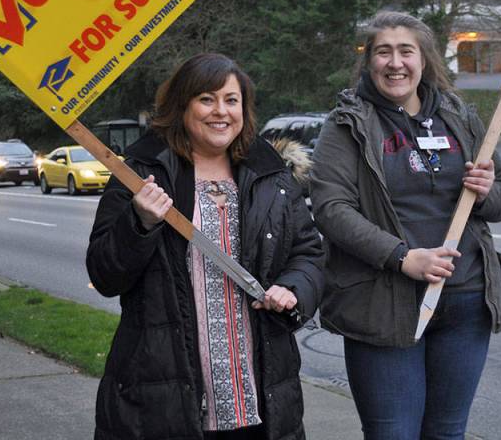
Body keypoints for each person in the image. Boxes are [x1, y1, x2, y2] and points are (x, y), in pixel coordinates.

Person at [87, 53, 324, 440]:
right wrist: (140, 222)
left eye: (232, 100)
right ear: (182, 105)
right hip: (165, 392)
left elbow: (309, 253)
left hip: (260, 391)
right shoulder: (141, 174)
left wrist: (294, 289)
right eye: (206, 99)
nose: (221, 112)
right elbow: (104, 273)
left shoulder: (271, 176)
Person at [310, 11, 501, 440]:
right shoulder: (347, 124)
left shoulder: (459, 117)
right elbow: (332, 210)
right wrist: (402, 258)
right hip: (384, 303)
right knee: (393, 434)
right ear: (369, 62)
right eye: (383, 52)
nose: (395, 62)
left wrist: (486, 190)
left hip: (465, 303)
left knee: (446, 433)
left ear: (424, 59)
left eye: (407, 51)